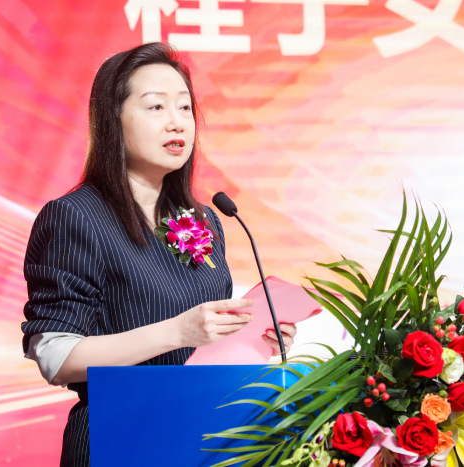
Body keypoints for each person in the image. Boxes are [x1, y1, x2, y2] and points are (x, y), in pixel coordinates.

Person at [20, 42, 297, 467]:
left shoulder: (204, 219)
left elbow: (199, 347)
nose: (176, 122)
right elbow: (56, 357)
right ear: (113, 120)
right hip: (123, 437)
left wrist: (250, 337)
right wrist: (178, 332)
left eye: (185, 108)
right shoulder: (75, 217)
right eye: (156, 107)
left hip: (205, 435)